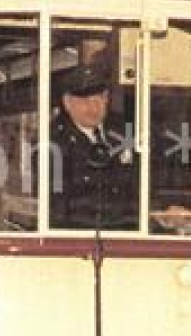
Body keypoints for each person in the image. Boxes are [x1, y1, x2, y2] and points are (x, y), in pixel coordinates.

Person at [49, 62, 138, 230]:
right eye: (84, 100)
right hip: (78, 236)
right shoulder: (54, 143)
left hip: (128, 233)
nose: (92, 107)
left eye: (98, 98)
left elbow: (142, 182)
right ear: (67, 103)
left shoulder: (126, 132)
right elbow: (57, 206)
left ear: (106, 98)